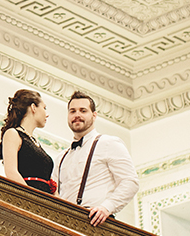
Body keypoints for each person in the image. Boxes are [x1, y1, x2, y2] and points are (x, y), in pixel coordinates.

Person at [54, 92, 138, 227]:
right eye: (72, 111)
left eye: (83, 111)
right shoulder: (61, 157)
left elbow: (130, 182)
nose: (77, 115)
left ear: (94, 115)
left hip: (97, 223)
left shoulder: (109, 143)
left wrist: (106, 207)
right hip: (66, 225)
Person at [0, 89, 56, 196]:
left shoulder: (35, 142)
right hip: (28, 200)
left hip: (46, 201)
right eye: (44, 108)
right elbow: (11, 172)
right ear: (33, 107)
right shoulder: (13, 133)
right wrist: (31, 199)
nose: (47, 114)